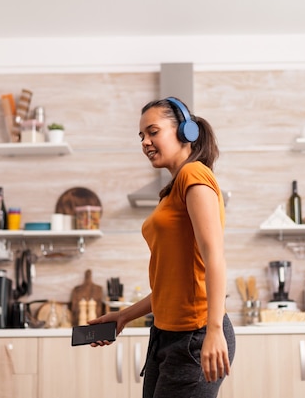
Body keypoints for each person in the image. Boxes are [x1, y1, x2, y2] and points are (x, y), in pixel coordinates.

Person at [89, 97, 235, 398]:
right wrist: (123, 316)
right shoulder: (172, 190)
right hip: (165, 334)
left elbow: (214, 256)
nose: (145, 142)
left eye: (153, 131)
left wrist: (214, 330)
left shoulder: (194, 175)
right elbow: (173, 283)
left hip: (195, 335)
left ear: (185, 132)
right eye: (141, 136)